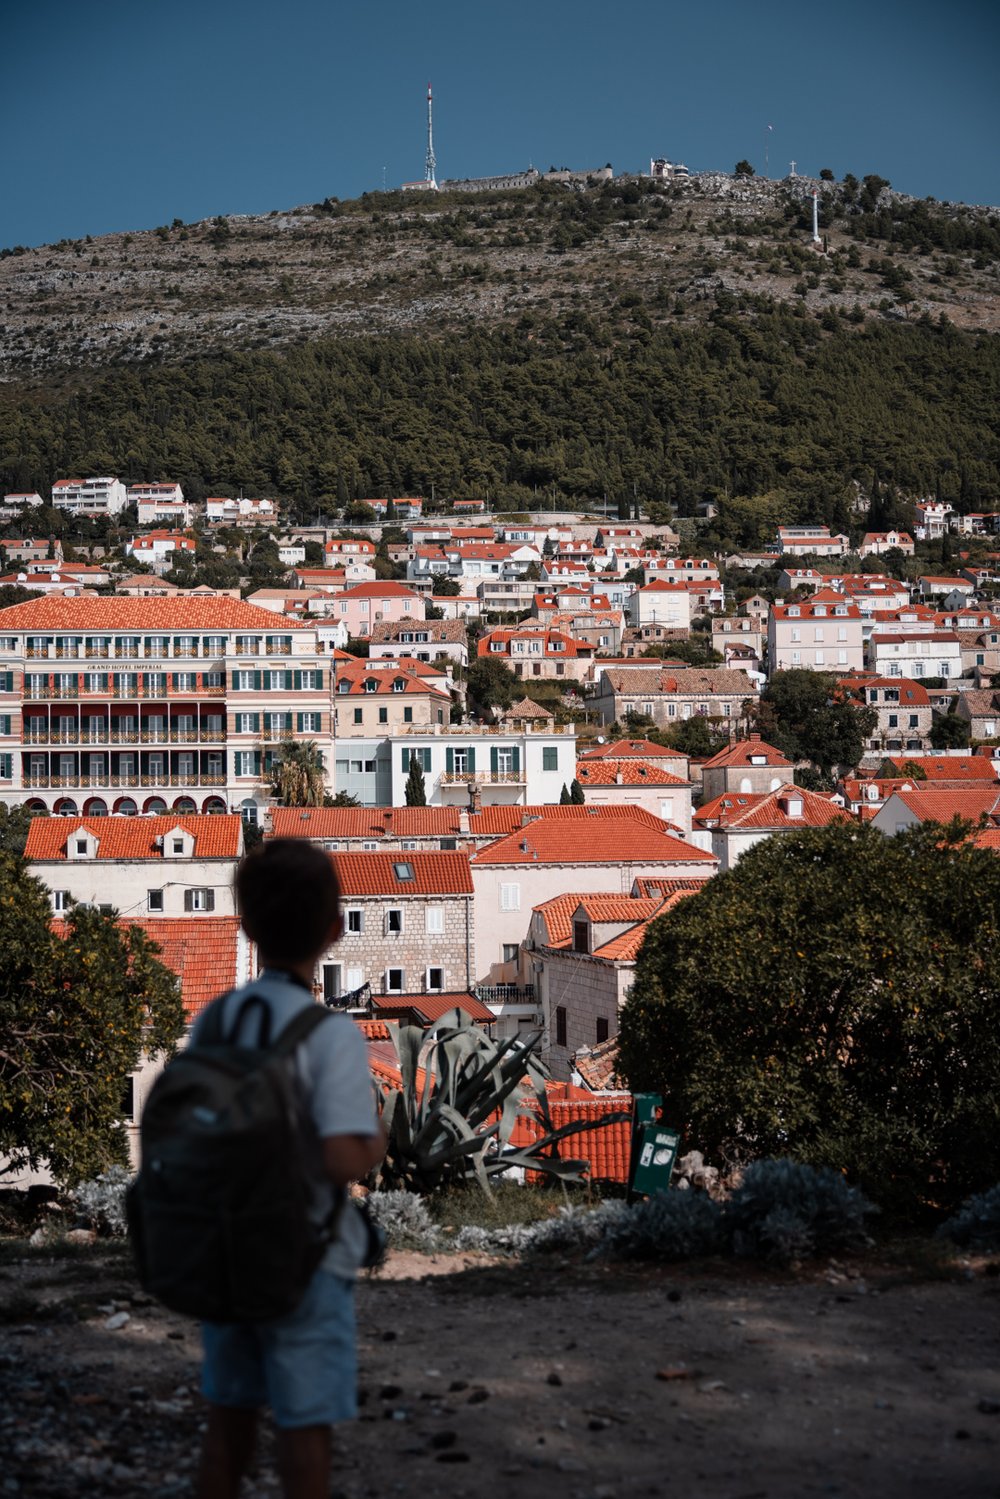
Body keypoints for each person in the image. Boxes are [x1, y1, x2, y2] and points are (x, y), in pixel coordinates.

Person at [192, 838, 385, 1499]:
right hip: (303, 1260)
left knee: (228, 1423)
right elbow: (339, 1157)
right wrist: (377, 1142)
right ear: (335, 930)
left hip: (227, 1252)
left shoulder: (215, 1019)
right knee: (306, 1429)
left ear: (244, 925)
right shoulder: (330, 1034)